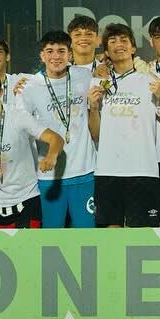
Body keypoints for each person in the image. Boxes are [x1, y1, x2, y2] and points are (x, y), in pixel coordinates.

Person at [88, 23, 160, 227]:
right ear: (106, 51)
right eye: (112, 41)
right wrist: (93, 108)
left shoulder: (152, 80)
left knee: (143, 236)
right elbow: (96, 134)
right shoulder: (97, 83)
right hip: (108, 171)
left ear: (133, 48)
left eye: (124, 40)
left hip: (143, 170)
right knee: (111, 233)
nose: (119, 44)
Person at [17, 30, 96, 228]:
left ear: (70, 54)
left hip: (85, 172)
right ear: (42, 56)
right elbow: (22, 125)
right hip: (49, 177)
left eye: (61, 51)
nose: (56, 56)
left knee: (87, 234)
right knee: (51, 236)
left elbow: (109, 69)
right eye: (50, 51)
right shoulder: (29, 87)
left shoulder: (85, 76)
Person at [0, 69, 63, 228]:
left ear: (1, 92)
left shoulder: (18, 115)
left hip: (26, 198)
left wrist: (51, 156)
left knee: (29, 245)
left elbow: (55, 139)